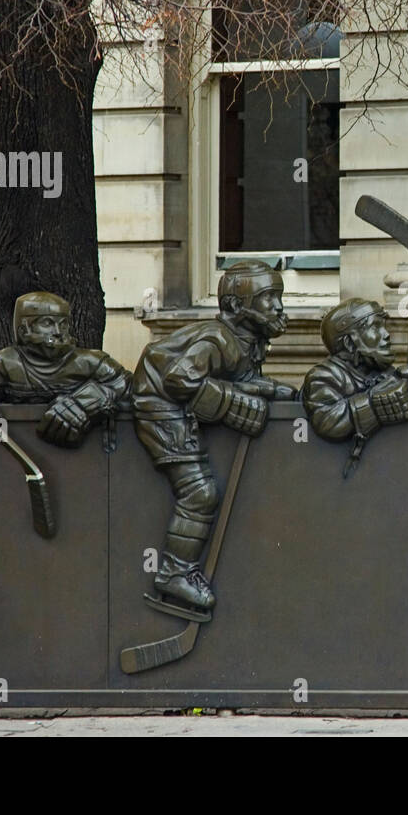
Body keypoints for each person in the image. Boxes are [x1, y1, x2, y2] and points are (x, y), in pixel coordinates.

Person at [133, 259, 298, 619]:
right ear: (236, 307)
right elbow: (180, 381)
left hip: (174, 404)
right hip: (160, 408)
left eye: (279, 297)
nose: (279, 307)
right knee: (200, 493)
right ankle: (174, 573)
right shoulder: (216, 338)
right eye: (268, 298)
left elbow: (234, 378)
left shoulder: (246, 342)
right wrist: (235, 405)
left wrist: (266, 389)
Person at [0, 291, 131, 447]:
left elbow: (131, 389)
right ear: (24, 329)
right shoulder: (6, 363)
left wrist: (88, 402)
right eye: (48, 323)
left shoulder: (91, 361)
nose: (58, 331)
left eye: (63, 324)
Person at [301, 298, 408, 477]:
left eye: (384, 326)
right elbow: (329, 421)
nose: (386, 334)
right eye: (375, 327)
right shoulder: (324, 376)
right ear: (350, 342)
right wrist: (376, 403)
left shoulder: (388, 373)